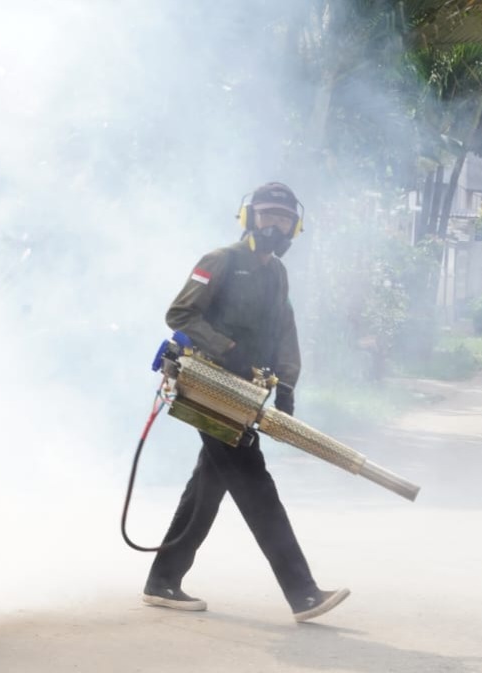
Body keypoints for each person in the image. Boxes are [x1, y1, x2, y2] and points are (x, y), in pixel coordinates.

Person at [142, 182, 350, 623]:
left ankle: (162, 580)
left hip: (245, 394)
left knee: (209, 484)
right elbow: (179, 314)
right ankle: (303, 592)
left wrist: (288, 384)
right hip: (208, 386)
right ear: (248, 219)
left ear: (295, 227)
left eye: (283, 219)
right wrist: (225, 347)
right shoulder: (221, 261)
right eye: (267, 215)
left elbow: (285, 329)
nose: (274, 226)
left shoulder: (277, 274)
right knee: (256, 485)